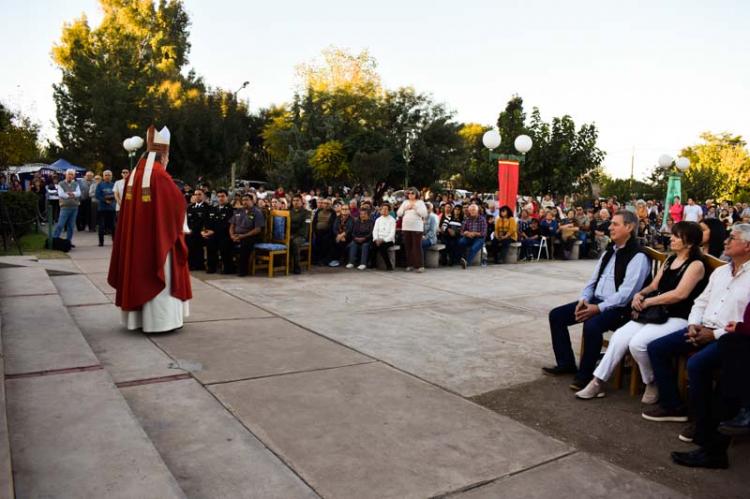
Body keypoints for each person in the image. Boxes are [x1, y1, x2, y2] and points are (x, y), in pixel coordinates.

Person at [575, 222, 707, 400]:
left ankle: (651, 381)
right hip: (657, 312)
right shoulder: (670, 260)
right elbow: (654, 285)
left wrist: (648, 301)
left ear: (689, 243)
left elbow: (679, 294)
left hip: (678, 316)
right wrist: (640, 294)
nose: (672, 238)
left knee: (637, 343)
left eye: (677, 236)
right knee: (619, 337)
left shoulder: (696, 265)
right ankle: (597, 382)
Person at [644, 225, 750, 444]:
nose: (726, 242)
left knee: (697, 364)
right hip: (701, 326)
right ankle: (673, 405)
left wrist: (715, 334)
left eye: (732, 238)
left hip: (728, 337)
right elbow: (700, 302)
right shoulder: (721, 272)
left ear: (747, 246)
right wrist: (693, 324)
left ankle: (702, 421)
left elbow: (745, 323)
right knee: (656, 347)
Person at [544, 210, 651, 390]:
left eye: (615, 224)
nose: (610, 227)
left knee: (592, 324)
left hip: (621, 309)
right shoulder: (610, 252)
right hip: (596, 301)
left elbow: (626, 294)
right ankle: (566, 363)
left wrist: (598, 308)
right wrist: (584, 299)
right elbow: (593, 280)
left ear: (629, 227)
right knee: (557, 316)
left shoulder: (638, 256)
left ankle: (585, 376)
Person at [108, 126, 192, 333]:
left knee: (137, 272)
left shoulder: (132, 175)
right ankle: (161, 322)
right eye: (167, 156)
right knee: (160, 274)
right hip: (159, 240)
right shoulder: (161, 176)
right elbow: (177, 204)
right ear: (163, 155)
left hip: (136, 241)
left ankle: (137, 320)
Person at [230, 193, 265, 277]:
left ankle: (243, 270)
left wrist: (243, 236)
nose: (244, 202)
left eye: (247, 200)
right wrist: (232, 235)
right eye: (243, 200)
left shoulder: (257, 212)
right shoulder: (238, 211)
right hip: (237, 235)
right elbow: (232, 225)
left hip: (252, 236)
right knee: (225, 241)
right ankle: (230, 267)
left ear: (252, 201)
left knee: (245, 244)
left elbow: (258, 229)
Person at [396, 187, 428, 272]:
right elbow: (399, 213)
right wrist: (406, 208)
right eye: (409, 193)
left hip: (417, 227)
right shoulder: (405, 202)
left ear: (416, 194)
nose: (410, 195)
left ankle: (420, 266)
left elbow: (424, 214)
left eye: (412, 193)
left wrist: (415, 208)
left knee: (417, 247)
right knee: (408, 246)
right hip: (406, 227)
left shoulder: (420, 202)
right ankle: (410, 264)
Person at [204, 189, 234, 274]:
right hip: (214, 234)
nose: (220, 198)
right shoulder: (214, 209)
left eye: (223, 196)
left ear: (227, 197)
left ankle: (228, 268)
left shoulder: (230, 209)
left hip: (226, 234)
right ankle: (211, 267)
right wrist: (206, 231)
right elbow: (209, 222)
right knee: (210, 241)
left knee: (224, 243)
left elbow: (227, 224)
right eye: (219, 196)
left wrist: (213, 231)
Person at [53, 169, 82, 246]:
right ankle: (54, 240)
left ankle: (68, 242)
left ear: (74, 176)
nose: (70, 176)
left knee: (71, 226)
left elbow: (79, 193)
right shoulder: (61, 183)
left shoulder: (76, 184)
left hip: (74, 207)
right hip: (65, 207)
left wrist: (71, 194)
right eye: (69, 174)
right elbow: (61, 194)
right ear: (66, 175)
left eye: (72, 174)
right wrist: (73, 195)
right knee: (60, 224)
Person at [457, 203, 487, 269]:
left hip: (479, 238)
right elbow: (462, 232)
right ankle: (461, 258)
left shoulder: (482, 219)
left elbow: (484, 233)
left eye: (474, 210)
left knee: (473, 248)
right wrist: (466, 233)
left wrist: (474, 233)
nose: (472, 212)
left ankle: (467, 263)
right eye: (471, 210)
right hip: (469, 237)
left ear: (477, 211)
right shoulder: (467, 219)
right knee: (460, 242)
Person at [186, 188, 210, 271]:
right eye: (195, 194)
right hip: (189, 232)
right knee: (189, 246)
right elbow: (187, 220)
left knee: (198, 247)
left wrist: (195, 230)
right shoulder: (190, 207)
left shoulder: (207, 207)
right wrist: (187, 229)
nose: (197, 196)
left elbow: (205, 221)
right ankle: (190, 264)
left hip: (200, 232)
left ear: (203, 196)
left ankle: (199, 265)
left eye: (199, 194)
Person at [289, 193, 311, 274]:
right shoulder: (289, 212)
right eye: (294, 200)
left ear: (302, 202)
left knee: (295, 243)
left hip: (301, 236)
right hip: (290, 234)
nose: (295, 202)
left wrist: (294, 236)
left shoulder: (307, 213)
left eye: (297, 200)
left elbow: (305, 228)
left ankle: (297, 267)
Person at [95, 170, 116, 246]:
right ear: (103, 176)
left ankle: (115, 241)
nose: (107, 176)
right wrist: (105, 200)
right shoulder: (100, 185)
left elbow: (116, 194)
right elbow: (97, 195)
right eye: (106, 175)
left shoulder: (114, 184)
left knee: (113, 225)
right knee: (101, 226)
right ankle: (101, 242)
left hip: (112, 208)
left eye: (109, 175)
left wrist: (112, 199)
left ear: (111, 176)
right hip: (102, 208)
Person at [372, 203, 396, 270]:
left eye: (386, 209)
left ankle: (389, 266)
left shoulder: (392, 220)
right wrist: (376, 239)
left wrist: (383, 240)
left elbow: (392, 233)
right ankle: (373, 265)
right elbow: (375, 231)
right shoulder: (378, 220)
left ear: (389, 211)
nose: (384, 210)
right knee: (372, 246)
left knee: (382, 248)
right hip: (378, 239)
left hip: (388, 240)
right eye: (382, 209)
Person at [312, 198, 336, 266]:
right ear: (322, 204)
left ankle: (324, 260)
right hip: (317, 232)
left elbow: (332, 225)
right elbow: (314, 222)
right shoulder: (318, 211)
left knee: (326, 240)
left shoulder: (333, 213)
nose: (326, 205)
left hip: (327, 233)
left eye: (328, 204)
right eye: (325, 203)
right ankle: (315, 259)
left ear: (331, 205)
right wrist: (315, 231)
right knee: (315, 239)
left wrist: (323, 232)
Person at [420, 202, 439, 271]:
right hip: (421, 237)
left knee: (421, 244)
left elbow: (432, 231)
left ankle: (421, 264)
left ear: (429, 210)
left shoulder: (432, 218)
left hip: (431, 238)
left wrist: (425, 237)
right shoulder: (420, 217)